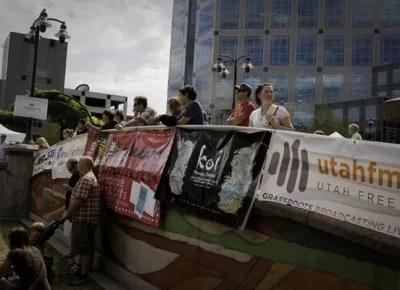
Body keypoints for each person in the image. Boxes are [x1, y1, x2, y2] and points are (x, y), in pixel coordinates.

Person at [62, 156, 100, 285]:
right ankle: (81, 271)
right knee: (82, 247)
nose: (77, 165)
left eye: (79, 163)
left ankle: (84, 275)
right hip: (84, 219)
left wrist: (67, 214)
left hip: (84, 219)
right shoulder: (87, 177)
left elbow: (79, 200)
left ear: (85, 164)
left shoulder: (87, 178)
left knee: (84, 248)